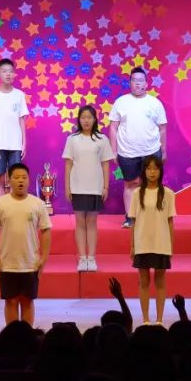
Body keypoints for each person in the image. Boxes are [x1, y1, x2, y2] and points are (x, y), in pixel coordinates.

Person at [0, 162, 51, 326]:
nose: (20, 181)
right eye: (16, 177)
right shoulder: (0, 203)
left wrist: (43, 257)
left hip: (30, 263)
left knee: (27, 301)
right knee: (11, 300)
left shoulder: (37, 203)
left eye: (24, 177)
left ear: (29, 180)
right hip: (7, 263)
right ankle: (12, 336)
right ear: (9, 180)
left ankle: (27, 336)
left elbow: (46, 230)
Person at [108, 67, 168, 228]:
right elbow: (113, 127)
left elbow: (162, 129)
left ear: (146, 83)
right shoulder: (121, 102)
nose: (137, 83)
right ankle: (130, 217)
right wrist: (113, 150)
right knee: (130, 184)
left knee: (152, 185)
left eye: (140, 80)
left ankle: (151, 218)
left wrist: (163, 151)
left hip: (151, 151)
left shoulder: (155, 103)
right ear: (130, 83)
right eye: (134, 80)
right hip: (127, 152)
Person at [62, 106, 112, 272]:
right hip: (77, 186)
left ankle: (91, 258)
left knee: (91, 222)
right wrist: (67, 186)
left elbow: (105, 164)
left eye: (89, 117)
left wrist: (105, 186)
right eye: (83, 117)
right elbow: (68, 164)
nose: (86, 120)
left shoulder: (102, 139)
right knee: (80, 222)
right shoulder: (72, 139)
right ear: (79, 119)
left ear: (95, 119)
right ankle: (82, 258)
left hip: (95, 187)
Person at [128, 155, 175, 326]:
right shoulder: (136, 193)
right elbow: (133, 222)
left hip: (161, 243)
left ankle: (159, 320)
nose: (152, 172)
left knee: (160, 282)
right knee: (144, 282)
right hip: (142, 243)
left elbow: (170, 222)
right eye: (149, 168)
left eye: (155, 168)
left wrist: (171, 246)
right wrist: (132, 246)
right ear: (144, 171)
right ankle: (146, 320)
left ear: (160, 171)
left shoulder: (168, 194)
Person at [0, 58, 29, 198]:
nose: (8, 74)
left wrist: (24, 143)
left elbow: (21, 119)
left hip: (15, 144)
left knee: (15, 176)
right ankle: (1, 208)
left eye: (10, 71)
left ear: (14, 74)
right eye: (4, 71)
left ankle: (13, 208)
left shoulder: (19, 95)